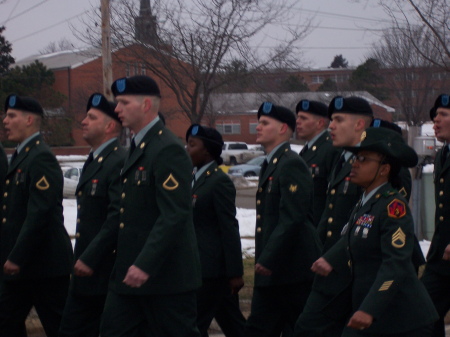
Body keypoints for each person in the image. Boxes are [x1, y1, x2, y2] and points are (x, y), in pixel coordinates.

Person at [74, 75, 201, 337]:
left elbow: (173, 215)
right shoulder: (137, 146)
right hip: (129, 274)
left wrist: (145, 264)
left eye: (123, 102)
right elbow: (125, 214)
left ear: (145, 105)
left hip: (166, 277)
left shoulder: (167, 149)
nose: (117, 109)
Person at [313, 126, 438, 336]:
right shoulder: (365, 202)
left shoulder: (392, 207)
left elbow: (395, 264)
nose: (355, 164)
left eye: (364, 159)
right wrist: (330, 259)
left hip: (402, 319)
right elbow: (352, 241)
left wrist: (369, 309)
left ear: (384, 169)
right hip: (373, 312)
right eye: (356, 158)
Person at [295, 96, 373, 337]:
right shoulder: (343, 159)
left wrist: (334, 256)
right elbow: (330, 214)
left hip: (357, 271)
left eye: (338, 120)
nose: (330, 126)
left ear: (359, 125)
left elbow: (370, 220)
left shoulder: (377, 164)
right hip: (332, 265)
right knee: (307, 327)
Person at [245, 101, 321, 337]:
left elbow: (292, 218)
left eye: (265, 123)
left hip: (291, 270)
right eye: (258, 123)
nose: (258, 127)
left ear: (282, 129)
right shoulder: (273, 164)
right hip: (276, 271)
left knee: (299, 328)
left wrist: (267, 259)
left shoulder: (290, 164)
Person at [0, 94, 73, 337]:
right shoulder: (22, 155)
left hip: (44, 266)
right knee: (6, 323)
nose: (5, 121)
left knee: (59, 326)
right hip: (22, 266)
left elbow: (39, 214)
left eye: (12, 116)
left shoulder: (40, 157)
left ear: (29, 120)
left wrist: (16, 257)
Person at [58, 93, 127, 337]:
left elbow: (116, 217)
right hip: (87, 274)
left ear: (109, 126)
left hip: (104, 271)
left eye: (91, 117)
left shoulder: (118, 160)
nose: (83, 121)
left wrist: (90, 258)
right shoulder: (95, 159)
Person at [186, 124, 246, 337]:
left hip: (212, 272)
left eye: (192, 145)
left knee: (193, 325)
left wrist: (235, 272)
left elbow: (229, 227)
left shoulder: (218, 181)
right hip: (199, 268)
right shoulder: (194, 179)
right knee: (233, 324)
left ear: (208, 151)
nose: (187, 149)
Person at [422, 93, 450, 337]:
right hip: (441, 256)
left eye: (444, 115)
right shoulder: (443, 155)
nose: (436, 121)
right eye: (435, 116)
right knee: (424, 313)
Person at [296, 99, 340, 226]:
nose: (297, 122)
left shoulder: (331, 149)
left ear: (320, 123)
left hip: (319, 226)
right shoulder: (306, 151)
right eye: (298, 117)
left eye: (303, 118)